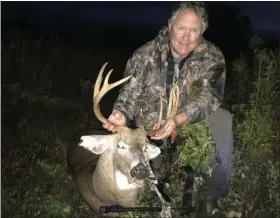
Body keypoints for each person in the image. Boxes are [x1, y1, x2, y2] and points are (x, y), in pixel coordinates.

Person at [102, 1, 232, 216]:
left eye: (194, 31)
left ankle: (212, 195)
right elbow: (129, 94)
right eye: (181, 28)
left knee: (223, 119)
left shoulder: (212, 56)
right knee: (143, 178)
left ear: (202, 32)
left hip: (189, 121)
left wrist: (179, 118)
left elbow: (209, 96)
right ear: (170, 26)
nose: (185, 37)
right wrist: (121, 114)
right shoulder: (145, 55)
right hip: (150, 127)